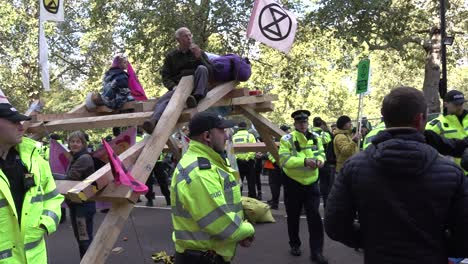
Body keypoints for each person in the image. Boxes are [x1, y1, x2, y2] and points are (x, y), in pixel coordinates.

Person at [325, 87, 468, 263]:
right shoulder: (451, 173)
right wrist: (435, 246)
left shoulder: (354, 167)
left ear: (384, 118)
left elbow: (334, 225)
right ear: (420, 119)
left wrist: (370, 242)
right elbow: (464, 236)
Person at [170, 111, 255, 264]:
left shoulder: (207, 161)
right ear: (207, 136)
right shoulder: (200, 172)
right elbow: (221, 225)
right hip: (203, 258)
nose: (227, 136)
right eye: (222, 131)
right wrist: (247, 230)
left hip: (204, 254)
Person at [0, 102, 64, 263]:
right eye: (14, 122)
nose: (21, 127)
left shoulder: (34, 159)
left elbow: (53, 198)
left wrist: (45, 224)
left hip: (35, 258)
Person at [279, 110, 328, 264]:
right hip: (293, 183)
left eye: (305, 122)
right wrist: (304, 161)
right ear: (295, 124)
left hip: (312, 183)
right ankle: (295, 244)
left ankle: (317, 252)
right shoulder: (287, 139)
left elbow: (322, 154)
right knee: (293, 216)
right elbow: (284, 160)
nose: (303, 124)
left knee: (314, 218)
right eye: (300, 122)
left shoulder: (315, 137)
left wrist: (320, 161)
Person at [142, 27, 213, 134]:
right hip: (179, 87)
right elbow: (166, 77)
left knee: (202, 68)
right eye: (185, 36)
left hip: (197, 87)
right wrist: (173, 87)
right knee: (164, 100)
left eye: (190, 35)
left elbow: (211, 72)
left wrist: (199, 58)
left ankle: (196, 99)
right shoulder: (171, 57)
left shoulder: (199, 52)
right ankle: (153, 121)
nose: (189, 38)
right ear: (178, 40)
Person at [64, 131, 96, 259]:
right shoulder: (76, 156)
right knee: (82, 238)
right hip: (78, 204)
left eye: (78, 142)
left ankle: (90, 260)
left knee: (84, 239)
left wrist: (50, 175)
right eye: (72, 141)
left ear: (83, 144)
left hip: (83, 205)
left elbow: (70, 178)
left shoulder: (84, 158)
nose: (74, 144)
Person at [426, 89, 468, 173]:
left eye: (461, 103)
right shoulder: (435, 125)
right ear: (445, 104)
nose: (460, 107)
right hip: (451, 174)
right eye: (456, 104)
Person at [232, 121, 258, 199]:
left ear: (238, 127)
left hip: (237, 163)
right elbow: (254, 149)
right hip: (249, 162)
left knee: (238, 183)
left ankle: (238, 199)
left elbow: (231, 150)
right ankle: (252, 200)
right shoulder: (250, 136)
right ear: (246, 127)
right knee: (251, 183)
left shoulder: (234, 137)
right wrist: (247, 158)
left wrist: (237, 158)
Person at [312, 117, 334, 208]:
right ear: (321, 124)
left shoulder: (308, 134)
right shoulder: (325, 135)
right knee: (325, 185)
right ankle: (326, 206)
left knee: (311, 186)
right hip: (323, 162)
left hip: (311, 162)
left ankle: (309, 207)